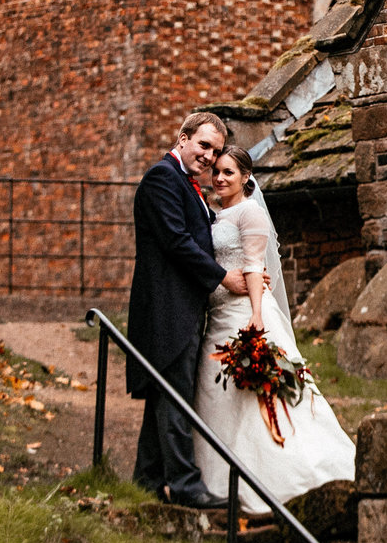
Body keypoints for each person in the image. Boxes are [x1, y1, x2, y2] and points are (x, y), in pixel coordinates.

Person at [192, 146, 356, 512]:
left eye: (228, 172)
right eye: (216, 171)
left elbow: (252, 265)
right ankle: (214, 477)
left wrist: (256, 317)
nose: (219, 178)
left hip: (245, 314)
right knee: (217, 395)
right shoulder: (216, 215)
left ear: (246, 177)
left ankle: (281, 475)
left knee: (260, 398)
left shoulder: (250, 212)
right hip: (218, 314)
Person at [126, 110, 243, 507]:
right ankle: (185, 485)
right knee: (175, 397)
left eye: (216, 151)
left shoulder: (188, 184)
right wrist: (223, 277)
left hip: (185, 309)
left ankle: (146, 479)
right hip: (166, 309)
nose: (210, 156)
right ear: (183, 138)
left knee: (167, 394)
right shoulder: (162, 178)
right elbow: (177, 242)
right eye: (204, 145)